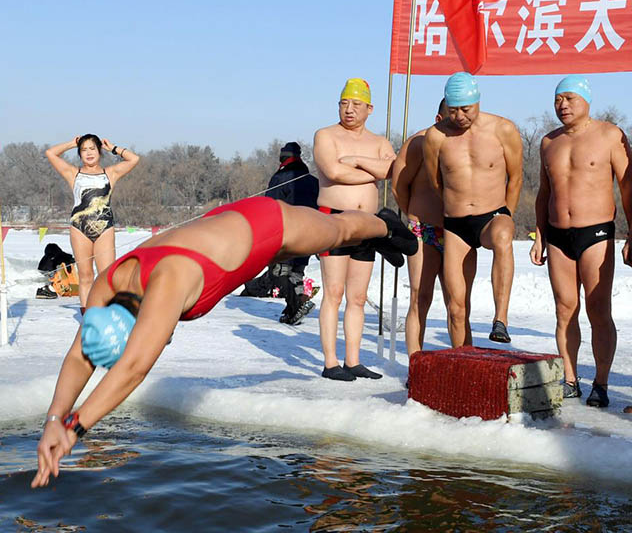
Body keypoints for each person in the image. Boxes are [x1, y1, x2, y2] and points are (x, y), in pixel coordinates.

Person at [31, 196, 418, 488]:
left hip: (265, 223)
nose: (161, 341)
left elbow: (133, 367)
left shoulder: (169, 282)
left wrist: (74, 429)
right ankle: (367, 236)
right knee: (330, 238)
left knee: (337, 232)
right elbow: (81, 356)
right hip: (224, 232)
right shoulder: (107, 285)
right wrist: (53, 419)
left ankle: (383, 228)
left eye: (154, 336)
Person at [530, 76, 632, 408]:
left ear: (587, 100)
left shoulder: (609, 135)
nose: (563, 105)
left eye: (570, 98)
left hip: (597, 233)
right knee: (565, 309)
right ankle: (570, 379)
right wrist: (540, 235)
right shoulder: (548, 142)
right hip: (558, 236)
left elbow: (627, 187)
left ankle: (600, 383)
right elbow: (545, 193)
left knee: (598, 309)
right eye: (558, 99)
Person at [423, 72, 523, 348]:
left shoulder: (503, 129)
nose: (460, 116)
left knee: (504, 237)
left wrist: (507, 214)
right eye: (453, 110)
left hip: (493, 217)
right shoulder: (436, 137)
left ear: (477, 102)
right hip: (456, 224)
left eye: (466, 109)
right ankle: (462, 361)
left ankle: (500, 318)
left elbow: (516, 177)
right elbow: (435, 181)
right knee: (456, 306)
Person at [313, 78, 396, 382]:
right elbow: (333, 171)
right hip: (333, 219)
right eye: (344, 103)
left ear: (369, 108)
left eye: (356, 105)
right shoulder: (326, 135)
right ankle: (331, 361)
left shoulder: (379, 142)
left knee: (357, 297)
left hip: (368, 224)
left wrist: (359, 161)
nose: (349, 110)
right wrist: (372, 172)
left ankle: (353, 360)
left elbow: (392, 170)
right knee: (333, 292)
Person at [391, 99, 463, 354]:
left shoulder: (468, 143)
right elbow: (398, 186)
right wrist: (416, 214)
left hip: (458, 231)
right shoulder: (419, 142)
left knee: (458, 304)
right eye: (451, 116)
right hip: (425, 230)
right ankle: (416, 365)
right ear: (438, 119)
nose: (459, 121)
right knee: (420, 298)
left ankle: (462, 361)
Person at [46, 134, 140, 312]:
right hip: (79, 228)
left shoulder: (110, 173)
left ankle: (105, 313)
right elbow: (50, 153)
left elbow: (134, 159)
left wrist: (112, 148)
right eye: (83, 150)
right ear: (79, 154)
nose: (88, 153)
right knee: (86, 275)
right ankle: (87, 317)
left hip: (105, 227)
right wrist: (71, 144)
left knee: (107, 276)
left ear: (99, 151)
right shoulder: (73, 173)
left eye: (92, 149)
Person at [264, 141, 319, 325]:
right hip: (311, 232)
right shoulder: (313, 180)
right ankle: (291, 309)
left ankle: (298, 304)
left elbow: (270, 205)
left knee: (279, 271)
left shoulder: (279, 178)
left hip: (288, 232)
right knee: (296, 271)